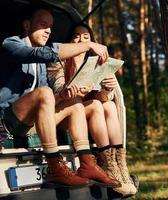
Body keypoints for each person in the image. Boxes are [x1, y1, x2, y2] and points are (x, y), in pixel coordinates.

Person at [0, 5, 120, 188]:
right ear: (27, 25)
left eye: (50, 26)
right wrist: (87, 44)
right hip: (8, 120)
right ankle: (55, 167)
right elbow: (42, 56)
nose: (48, 30)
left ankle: (87, 163)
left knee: (75, 103)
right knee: (46, 92)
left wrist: (63, 95)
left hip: (32, 121)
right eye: (43, 24)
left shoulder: (41, 66)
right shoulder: (11, 44)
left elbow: (46, 101)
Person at [47, 23, 137, 195]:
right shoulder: (59, 61)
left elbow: (103, 99)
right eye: (76, 36)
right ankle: (107, 164)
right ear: (69, 40)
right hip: (67, 112)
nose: (81, 40)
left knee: (109, 105)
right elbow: (58, 89)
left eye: (86, 37)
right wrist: (73, 91)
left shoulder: (96, 63)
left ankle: (118, 165)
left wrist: (107, 89)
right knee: (96, 105)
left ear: (92, 41)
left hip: (89, 114)